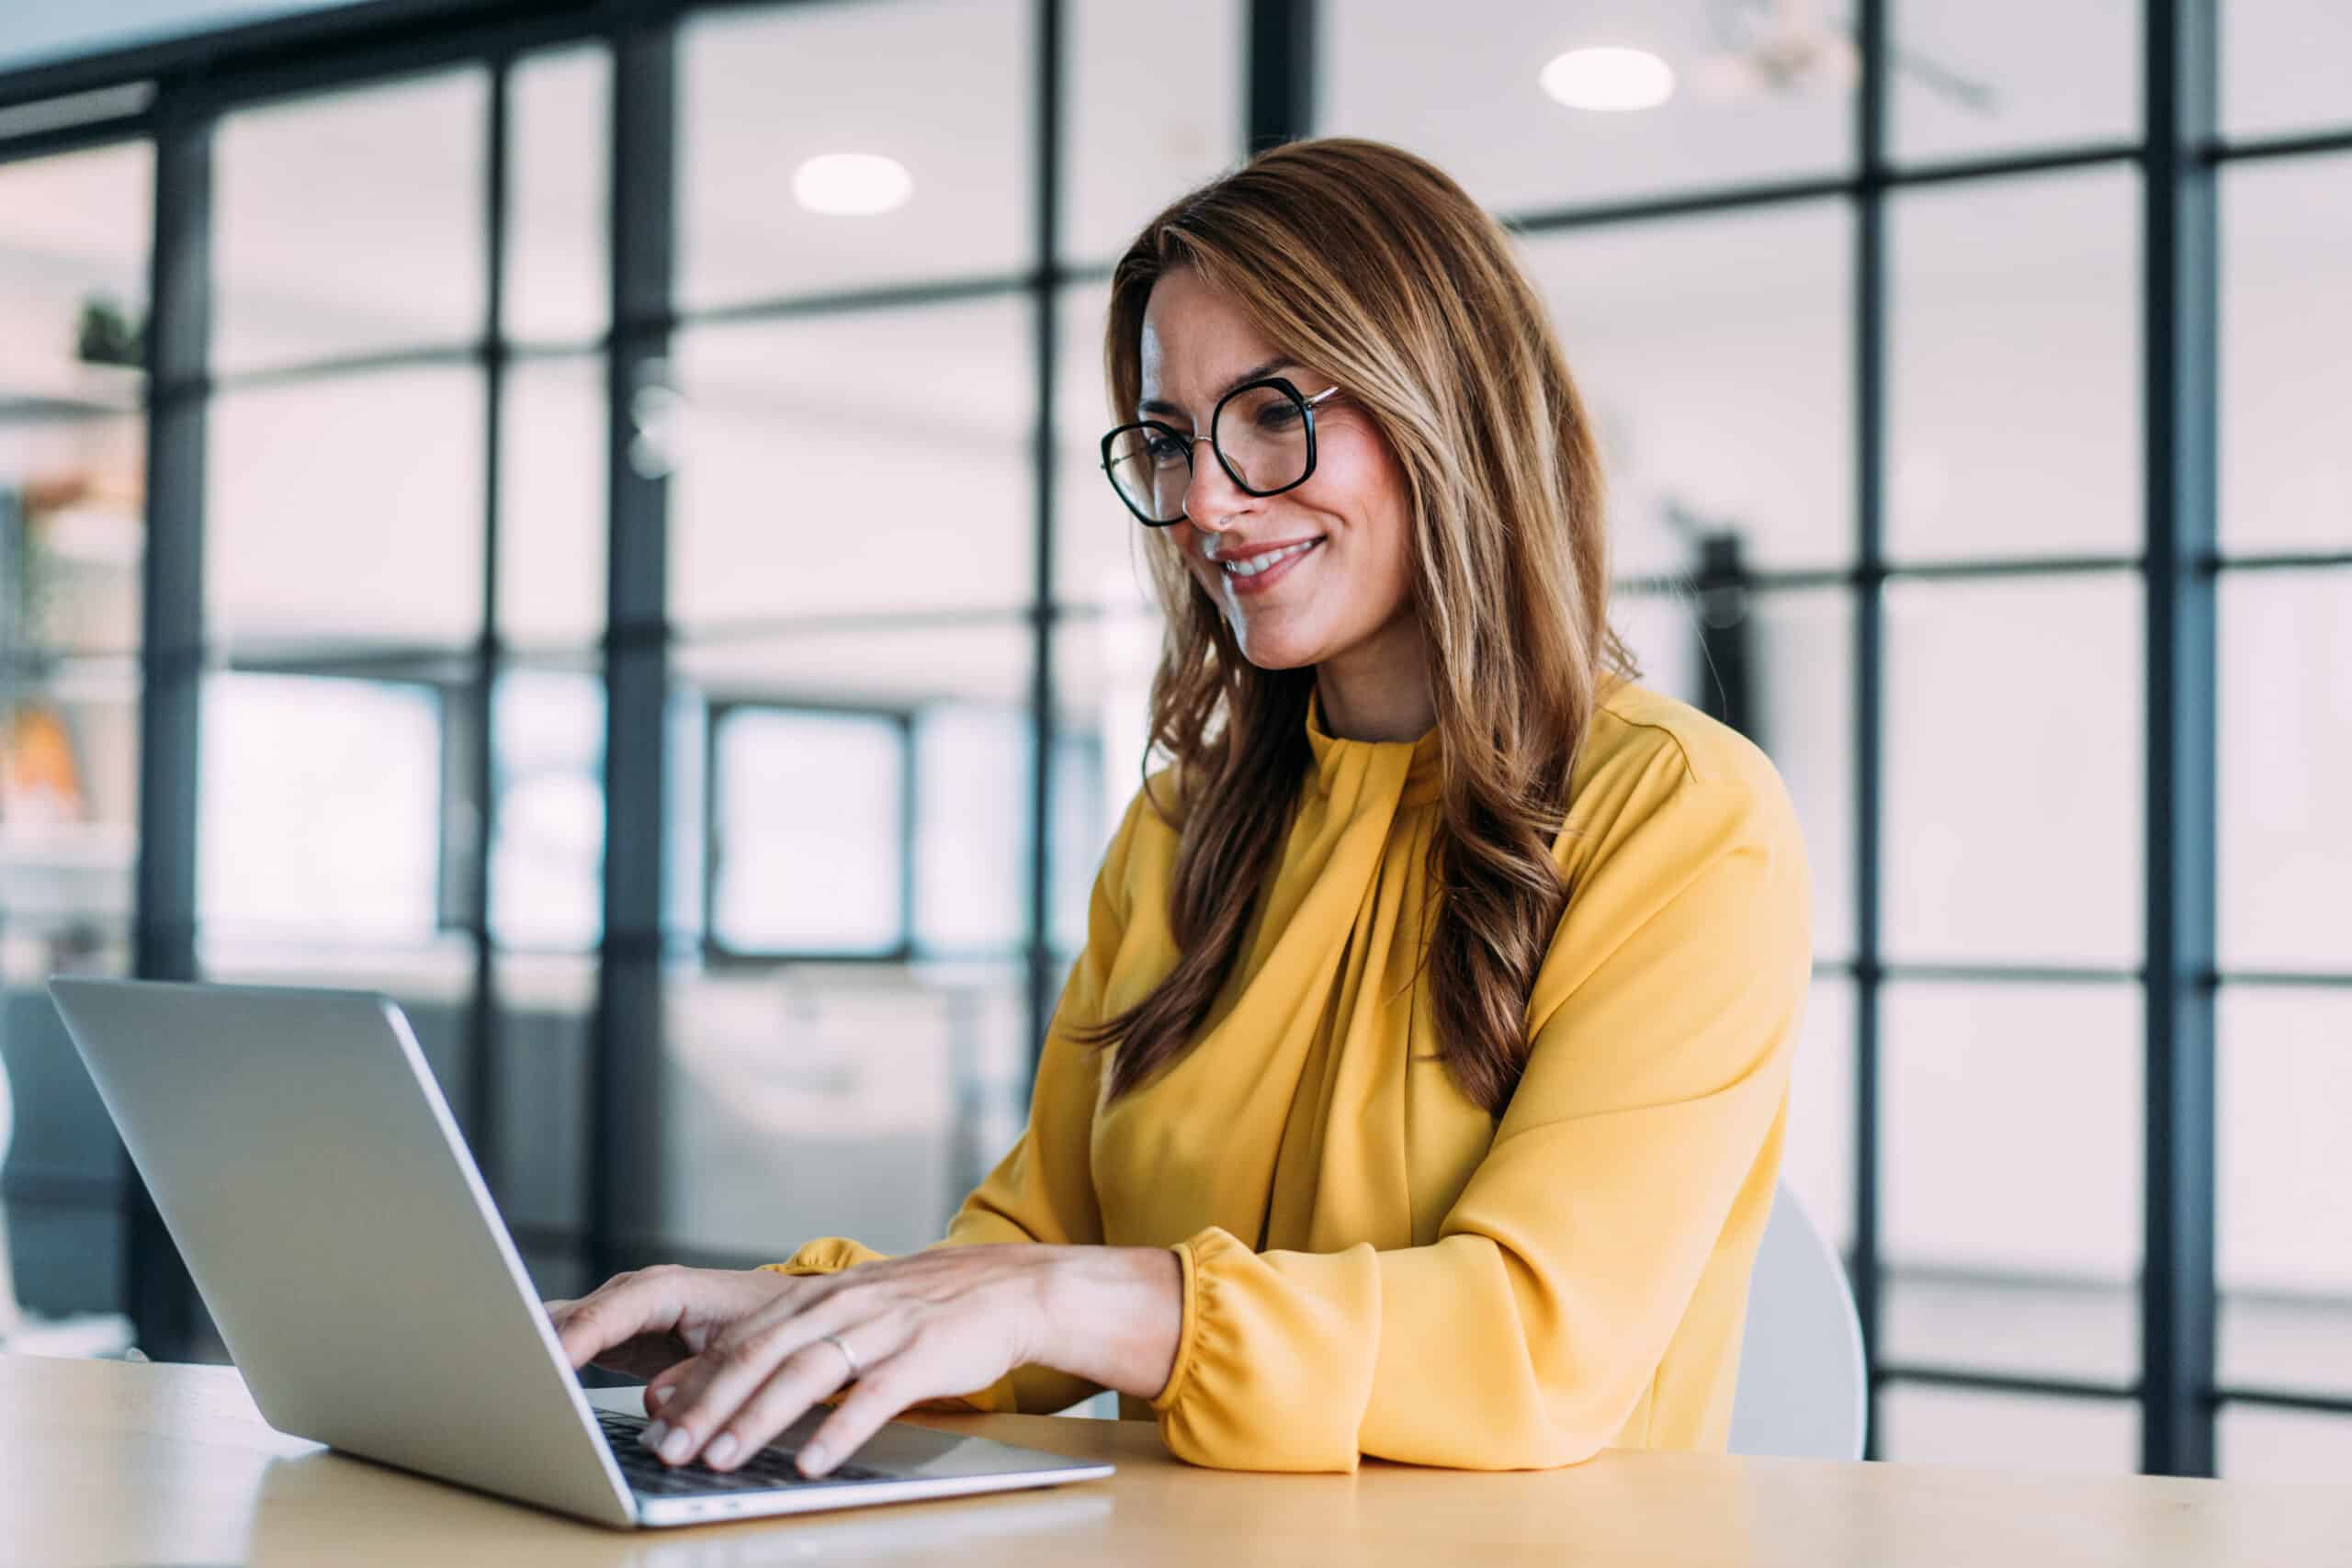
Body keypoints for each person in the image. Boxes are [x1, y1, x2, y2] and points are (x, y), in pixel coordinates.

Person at [547, 136, 1812, 1481]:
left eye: (1274, 413)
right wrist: (798, 1314)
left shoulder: (1684, 817)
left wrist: (1067, 1300)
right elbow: (1032, 1254)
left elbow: (1534, 1349)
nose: (1204, 504)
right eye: (1166, 439)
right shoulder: (1181, 830)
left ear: (1447, 406)